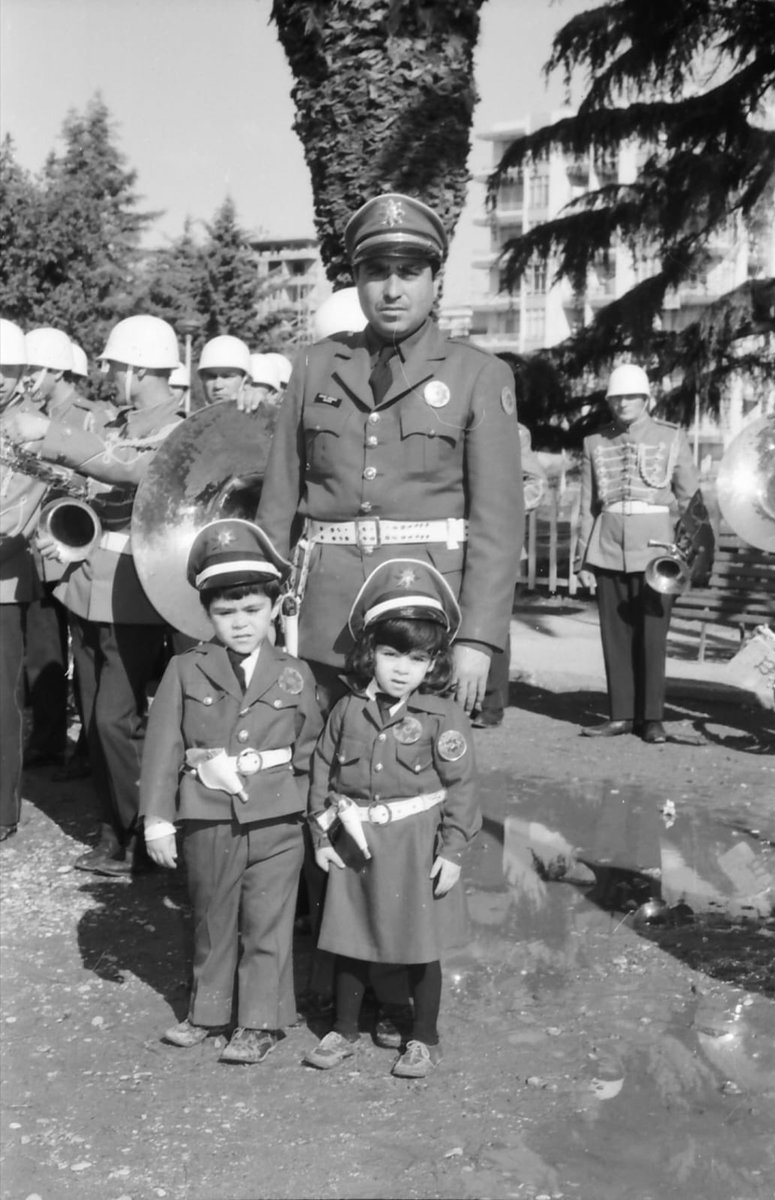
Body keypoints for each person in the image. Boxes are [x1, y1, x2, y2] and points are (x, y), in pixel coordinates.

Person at [252, 192, 523, 1020]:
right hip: (323, 622)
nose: (393, 288)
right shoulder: (311, 369)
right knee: (323, 786)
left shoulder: (479, 375)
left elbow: (497, 521)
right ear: (357, 279)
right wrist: (263, 612)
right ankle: (328, 958)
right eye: (377, 271)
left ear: (437, 279)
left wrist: (475, 639)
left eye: (410, 271)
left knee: (415, 790)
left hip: (423, 628)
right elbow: (279, 505)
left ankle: (406, 971)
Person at [2, 315, 185, 872]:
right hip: (91, 586)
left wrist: (52, 437)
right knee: (96, 714)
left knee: (113, 719)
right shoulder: (118, 420)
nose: (109, 375)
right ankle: (113, 830)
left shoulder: (178, 426)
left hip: (134, 590)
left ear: (137, 367)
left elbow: (132, 470)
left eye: (116, 366)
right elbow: (93, 481)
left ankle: (142, 828)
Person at [139, 518, 323, 1064]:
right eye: (225, 612)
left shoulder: (296, 674)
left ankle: (260, 1022)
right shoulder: (184, 669)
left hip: (277, 818)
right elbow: (162, 749)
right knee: (213, 916)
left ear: (274, 607)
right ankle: (209, 1011)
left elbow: (312, 752)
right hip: (208, 814)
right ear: (207, 614)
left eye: (251, 610)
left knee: (268, 919)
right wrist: (157, 819)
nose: (240, 624)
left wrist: (317, 823)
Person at [303, 559, 479, 1078]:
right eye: (390, 653)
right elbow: (322, 775)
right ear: (369, 653)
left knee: (421, 946)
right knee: (350, 938)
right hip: (356, 841)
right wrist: (322, 834)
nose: (402, 668)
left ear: (433, 664)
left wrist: (452, 852)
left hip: (416, 845)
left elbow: (462, 789)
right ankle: (344, 1029)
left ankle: (423, 1036)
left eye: (418, 658)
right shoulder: (347, 711)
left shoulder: (442, 718)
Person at [575, 363, 700, 743]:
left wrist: (686, 554)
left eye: (630, 396)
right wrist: (582, 560)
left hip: (656, 551)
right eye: (616, 396)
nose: (623, 403)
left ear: (647, 398)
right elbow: (587, 507)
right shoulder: (595, 442)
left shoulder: (670, 437)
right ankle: (621, 715)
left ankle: (652, 718)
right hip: (609, 546)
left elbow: (690, 499)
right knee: (615, 636)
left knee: (652, 636)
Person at [21, 328, 113, 772]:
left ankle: (92, 748)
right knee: (44, 653)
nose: (28, 378)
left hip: (79, 545)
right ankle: (46, 740)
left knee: (86, 653)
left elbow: (106, 479)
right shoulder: (26, 413)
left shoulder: (95, 416)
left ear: (56, 370)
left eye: (35, 369)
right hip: (36, 546)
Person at [0, 318, 48, 842]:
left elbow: (15, 514)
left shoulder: (32, 429)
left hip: (3, 586)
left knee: (2, 706)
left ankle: (1, 810)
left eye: (8, 368)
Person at [474, 423, 548, 729]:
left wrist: (501, 509)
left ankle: (492, 705)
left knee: (495, 624)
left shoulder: (513, 430)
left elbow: (535, 484)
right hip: (450, 540)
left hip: (497, 540)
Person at [197, 335, 250, 406]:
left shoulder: (265, 416)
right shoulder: (189, 417)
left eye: (227, 376)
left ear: (246, 381)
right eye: (211, 377)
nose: (218, 386)